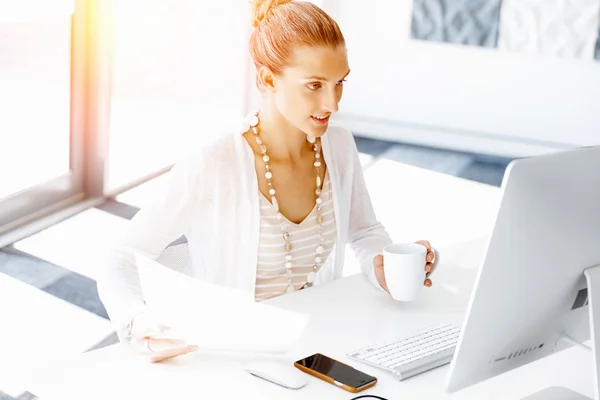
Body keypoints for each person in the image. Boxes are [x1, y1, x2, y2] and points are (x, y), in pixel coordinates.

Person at [97, 0, 437, 364]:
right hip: (233, 358)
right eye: (314, 85)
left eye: (340, 83)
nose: (333, 103)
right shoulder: (215, 163)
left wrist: (381, 266)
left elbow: (366, 231)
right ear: (267, 79)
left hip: (317, 345)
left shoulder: (338, 146)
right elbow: (120, 257)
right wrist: (137, 322)